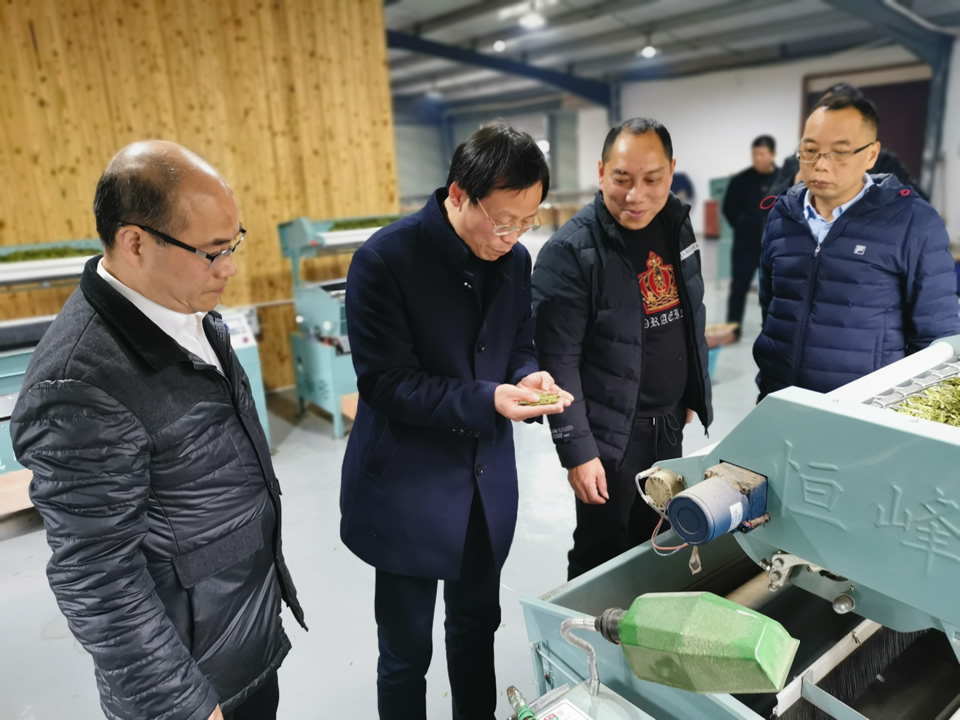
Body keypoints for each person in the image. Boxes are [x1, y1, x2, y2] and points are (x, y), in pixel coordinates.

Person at [10, 141, 305, 720]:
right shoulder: (80, 384)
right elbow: (98, 579)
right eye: (212, 251)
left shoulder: (186, 313)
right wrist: (183, 706)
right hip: (191, 681)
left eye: (234, 244)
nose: (230, 267)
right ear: (135, 242)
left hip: (239, 637)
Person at [340, 123, 573, 720]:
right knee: (405, 651)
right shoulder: (386, 260)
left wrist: (527, 376)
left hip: (483, 484)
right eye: (503, 220)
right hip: (408, 488)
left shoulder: (515, 261)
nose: (513, 235)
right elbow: (387, 383)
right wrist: (489, 399)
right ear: (458, 195)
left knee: (475, 627)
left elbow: (519, 342)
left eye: (528, 222)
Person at [531, 118, 713, 581]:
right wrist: (578, 451)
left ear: (670, 172)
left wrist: (691, 390)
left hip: (668, 423)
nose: (636, 195)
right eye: (622, 179)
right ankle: (588, 623)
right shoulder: (570, 251)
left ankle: (643, 623)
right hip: (609, 436)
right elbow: (558, 362)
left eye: (652, 179)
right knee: (601, 551)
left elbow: (688, 311)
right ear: (600, 172)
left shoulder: (675, 224)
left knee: (657, 539)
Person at [755, 95, 960, 397]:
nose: (820, 165)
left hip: (863, 407)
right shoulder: (782, 215)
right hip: (779, 398)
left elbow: (937, 338)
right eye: (810, 151)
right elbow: (771, 306)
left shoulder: (912, 222)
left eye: (840, 152)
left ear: (871, 155)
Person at [770, 83, 926, 200]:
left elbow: (918, 203)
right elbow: (767, 207)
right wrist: (797, 180)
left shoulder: (884, 162)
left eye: (840, 152)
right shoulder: (796, 160)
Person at [723, 135, 778, 340]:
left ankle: (771, 331)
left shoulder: (781, 179)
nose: (757, 158)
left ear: (772, 154)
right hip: (745, 245)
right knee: (738, 287)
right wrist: (743, 224)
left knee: (773, 291)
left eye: (762, 154)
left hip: (772, 247)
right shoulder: (741, 180)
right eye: (755, 154)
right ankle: (732, 330)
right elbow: (728, 208)